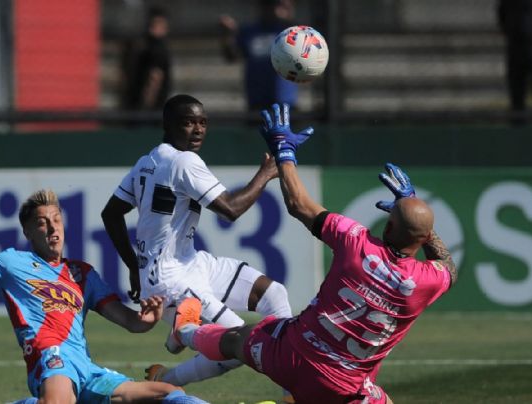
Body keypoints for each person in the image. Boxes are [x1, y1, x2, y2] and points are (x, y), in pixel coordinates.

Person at [169, 103, 458, 403]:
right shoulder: (426, 281)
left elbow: (298, 204)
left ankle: (187, 331)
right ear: (423, 237)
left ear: (387, 227)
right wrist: (416, 214)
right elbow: (447, 264)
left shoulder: (355, 242)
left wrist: (285, 153)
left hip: (288, 355)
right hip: (343, 389)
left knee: (235, 340)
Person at [0, 185, 207, 404]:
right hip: (51, 360)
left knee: (170, 395)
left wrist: (146, 319)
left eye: (57, 219)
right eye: (43, 222)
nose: (52, 227)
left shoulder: (82, 273)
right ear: (28, 231)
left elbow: (130, 322)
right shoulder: (12, 264)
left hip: (86, 370)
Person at [101, 94, 294, 395]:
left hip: (191, 263)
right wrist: (266, 173)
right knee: (241, 340)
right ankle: (171, 377)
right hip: (171, 281)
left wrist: (133, 265)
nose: (198, 130)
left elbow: (111, 213)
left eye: (203, 123)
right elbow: (231, 209)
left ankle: (291, 392)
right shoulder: (184, 162)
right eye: (189, 122)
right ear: (168, 125)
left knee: (274, 294)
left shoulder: (147, 161)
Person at [219, 0, 299, 112]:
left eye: (282, 6)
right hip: (257, 102)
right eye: (270, 5)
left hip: (285, 102)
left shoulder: (292, 31)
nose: (275, 10)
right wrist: (228, 35)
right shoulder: (249, 31)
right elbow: (231, 57)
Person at [497, 0, 532, 122]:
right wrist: (506, 29)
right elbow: (502, 9)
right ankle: (518, 131)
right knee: (517, 91)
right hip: (515, 41)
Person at [120, 6, 172, 112]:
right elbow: (155, 77)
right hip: (147, 106)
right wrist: (147, 103)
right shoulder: (157, 48)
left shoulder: (142, 45)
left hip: (137, 103)